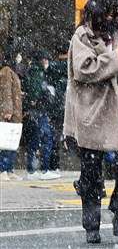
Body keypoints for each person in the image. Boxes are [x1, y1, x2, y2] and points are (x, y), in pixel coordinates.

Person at [63, 0, 118, 244]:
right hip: (92, 112)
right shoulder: (82, 36)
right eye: (107, 14)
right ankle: (91, 225)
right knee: (91, 172)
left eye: (114, 14)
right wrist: (115, 58)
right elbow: (84, 70)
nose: (111, 18)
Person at [23, 50, 61, 180]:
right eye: (45, 59)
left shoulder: (35, 71)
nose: (47, 62)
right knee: (45, 138)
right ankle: (43, 170)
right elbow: (36, 91)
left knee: (36, 139)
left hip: (37, 111)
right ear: (41, 60)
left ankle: (32, 170)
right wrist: (45, 96)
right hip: (39, 111)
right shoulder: (37, 72)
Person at [0, 50, 23, 181]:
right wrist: (7, 110)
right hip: (9, 114)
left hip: (15, 114)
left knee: (12, 141)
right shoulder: (6, 71)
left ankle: (9, 169)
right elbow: (6, 92)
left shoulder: (11, 72)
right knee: (5, 142)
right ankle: (3, 169)